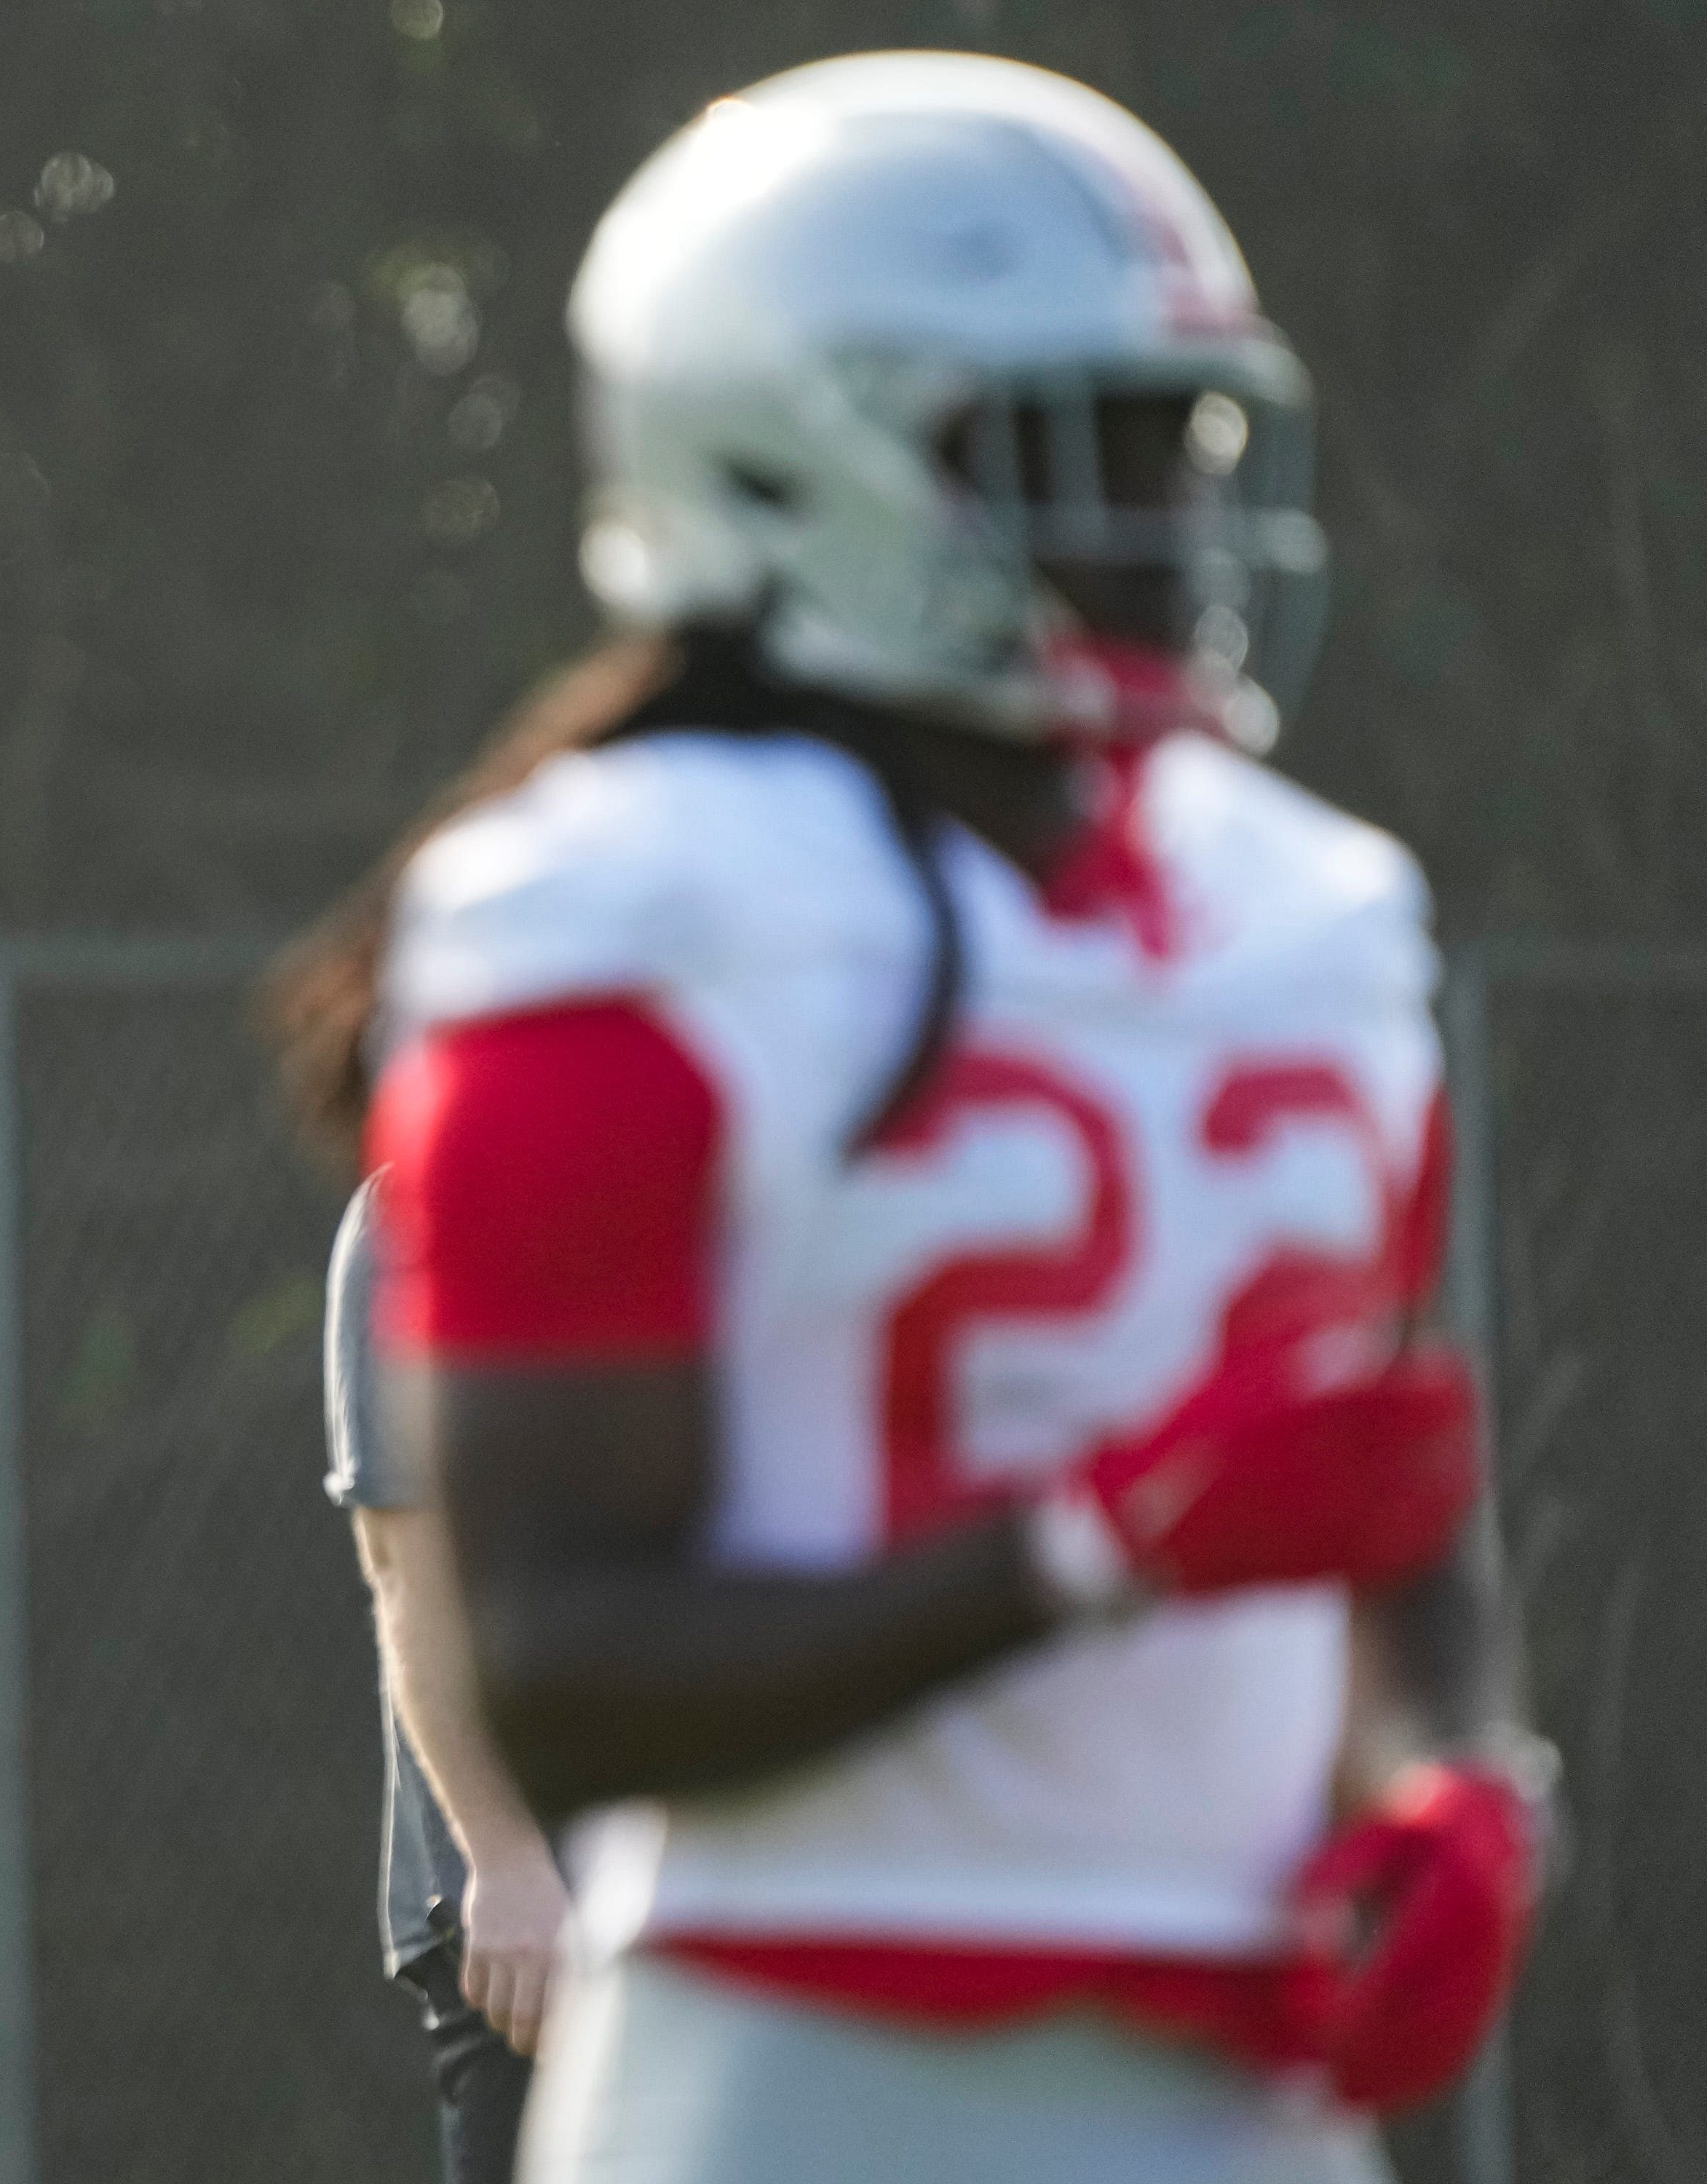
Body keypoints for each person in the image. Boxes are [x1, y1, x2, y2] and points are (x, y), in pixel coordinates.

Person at [275, 53, 1548, 2184]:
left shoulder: (1302, 909)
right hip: (796, 2066)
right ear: (794, 456)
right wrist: (1092, 1546)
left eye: (1184, 442)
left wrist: (1460, 1783)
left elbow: (1377, 1494)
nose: (1167, 526)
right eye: (1077, 449)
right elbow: (569, 1676)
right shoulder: (618, 917)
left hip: (1240, 2077)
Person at [319, 1175, 569, 2184]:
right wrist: (505, 1863)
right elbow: (406, 1573)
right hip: (533, 1924)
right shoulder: (414, 1209)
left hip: (725, 1888)